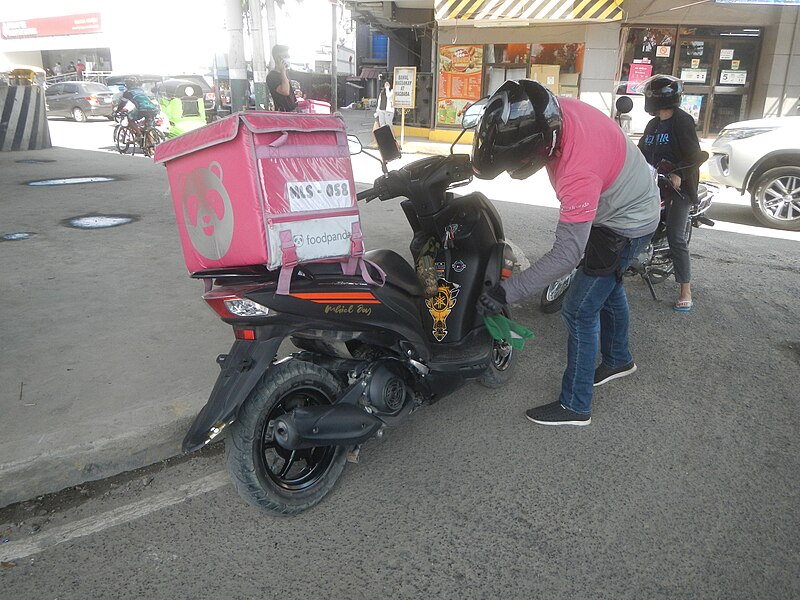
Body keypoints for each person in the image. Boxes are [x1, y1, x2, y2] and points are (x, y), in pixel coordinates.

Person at [474, 79, 660, 426]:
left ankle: (575, 406)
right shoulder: (553, 111)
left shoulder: (578, 172)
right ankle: (619, 359)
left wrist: (505, 292)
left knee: (578, 309)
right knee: (609, 285)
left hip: (625, 226)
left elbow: (566, 255)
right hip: (628, 208)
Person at [637, 75, 702, 312]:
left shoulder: (682, 121)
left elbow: (694, 155)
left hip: (678, 187)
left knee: (676, 236)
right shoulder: (653, 125)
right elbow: (641, 153)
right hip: (653, 185)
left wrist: (679, 175)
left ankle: (685, 288)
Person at [266, 44, 297, 112]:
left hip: (293, 111)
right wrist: (282, 71)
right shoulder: (271, 77)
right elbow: (285, 91)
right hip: (284, 114)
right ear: (278, 58)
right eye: (286, 56)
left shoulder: (285, 74)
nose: (288, 58)